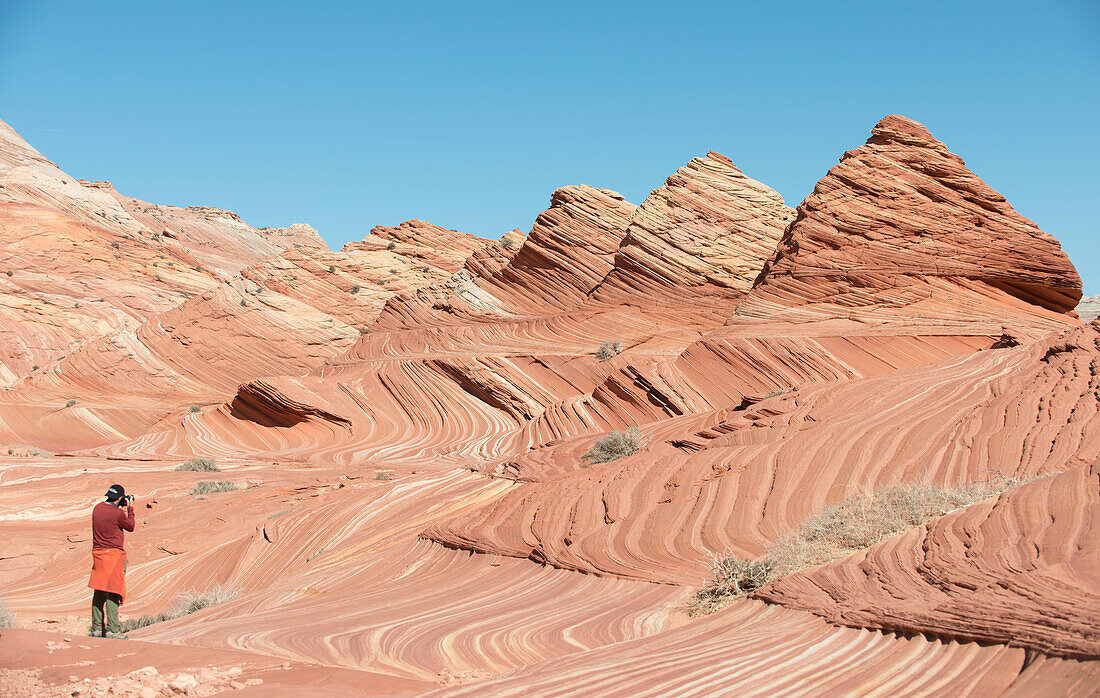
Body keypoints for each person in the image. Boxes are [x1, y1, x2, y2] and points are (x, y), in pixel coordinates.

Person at [89, 484, 135, 639]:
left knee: (99, 591)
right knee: (113, 592)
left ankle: (96, 629)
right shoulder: (117, 514)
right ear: (121, 498)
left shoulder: (97, 509)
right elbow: (130, 526)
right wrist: (130, 509)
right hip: (114, 556)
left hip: (98, 555)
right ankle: (113, 630)